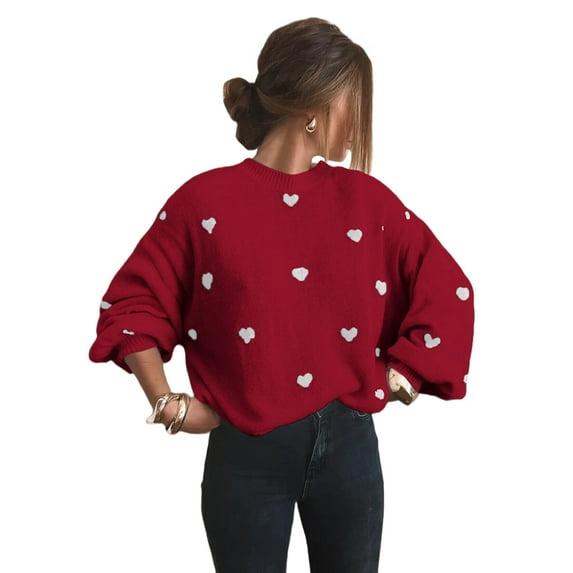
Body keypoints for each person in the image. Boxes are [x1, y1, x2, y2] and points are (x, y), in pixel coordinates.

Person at [89, 17, 474, 573]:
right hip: (244, 456)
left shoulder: (368, 203)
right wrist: (166, 402)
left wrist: (405, 373)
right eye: (354, 100)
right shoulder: (204, 203)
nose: (361, 120)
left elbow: (448, 287)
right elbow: (133, 304)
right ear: (316, 104)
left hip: (351, 448)